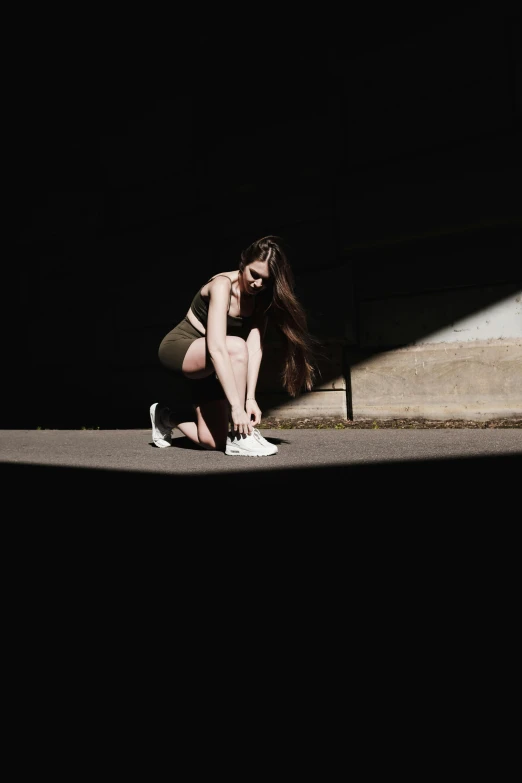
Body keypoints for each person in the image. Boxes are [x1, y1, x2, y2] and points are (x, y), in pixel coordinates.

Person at [150, 235, 320, 456]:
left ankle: (165, 417)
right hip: (182, 348)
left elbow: (254, 350)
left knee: (214, 441)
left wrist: (250, 399)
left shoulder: (260, 300)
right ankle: (242, 436)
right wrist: (236, 409)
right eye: (254, 275)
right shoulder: (222, 286)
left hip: (217, 359)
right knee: (235, 346)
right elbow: (218, 348)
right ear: (243, 264)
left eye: (265, 281)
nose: (258, 284)